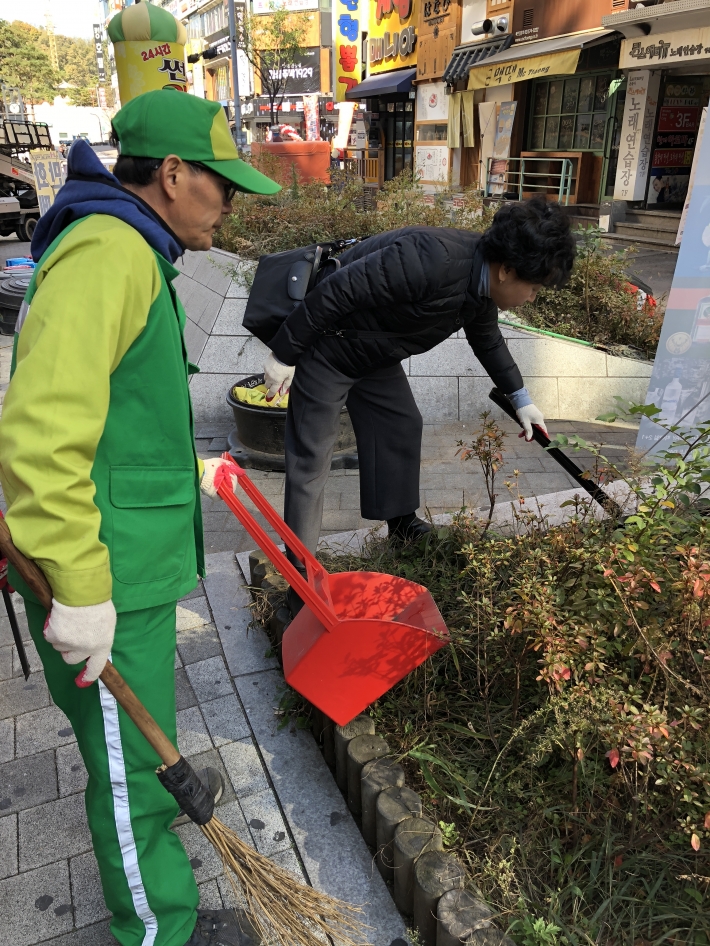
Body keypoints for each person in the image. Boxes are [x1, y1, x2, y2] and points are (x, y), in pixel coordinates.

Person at [0, 89, 279, 946]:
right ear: (171, 174)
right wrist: (80, 591)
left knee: (134, 758)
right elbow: (42, 437)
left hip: (126, 564)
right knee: (126, 772)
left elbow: (104, 411)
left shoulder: (131, 248)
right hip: (102, 574)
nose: (230, 204)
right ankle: (156, 932)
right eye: (221, 185)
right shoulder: (109, 254)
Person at [255, 197, 576, 612]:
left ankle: (402, 524)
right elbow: (336, 291)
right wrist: (284, 355)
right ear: (507, 270)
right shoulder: (431, 259)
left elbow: (488, 340)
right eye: (534, 287)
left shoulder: (482, 285)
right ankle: (301, 578)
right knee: (311, 457)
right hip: (328, 347)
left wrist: (521, 398)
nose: (533, 296)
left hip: (372, 352)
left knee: (402, 423)